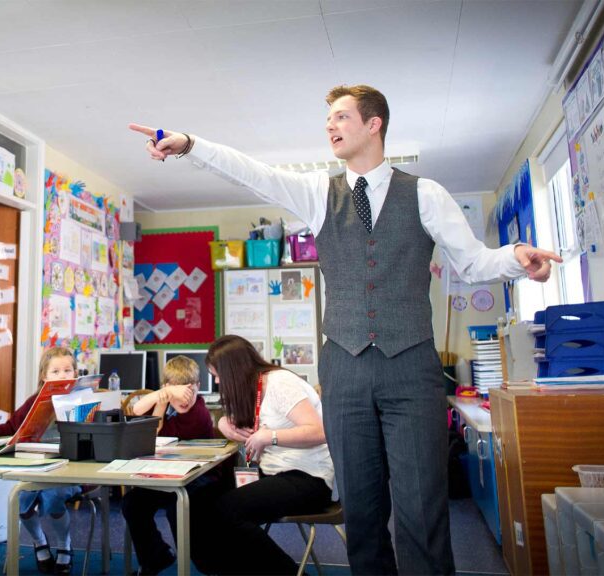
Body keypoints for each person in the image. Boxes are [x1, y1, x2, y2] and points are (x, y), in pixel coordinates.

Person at [130, 85, 561, 574]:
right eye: (328, 120)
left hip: (412, 366)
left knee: (422, 505)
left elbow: (474, 260)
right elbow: (252, 172)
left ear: (373, 124)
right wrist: (190, 144)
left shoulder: (425, 194)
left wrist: (516, 259)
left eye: (341, 117)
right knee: (362, 509)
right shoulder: (319, 193)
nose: (330, 127)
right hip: (345, 370)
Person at [186, 335, 333, 575]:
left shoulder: (280, 383)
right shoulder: (255, 387)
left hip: (309, 477)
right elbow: (241, 425)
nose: (217, 381)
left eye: (217, 374)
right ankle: (217, 567)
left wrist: (269, 436)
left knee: (228, 511)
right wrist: (224, 423)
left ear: (232, 370)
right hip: (275, 472)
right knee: (198, 499)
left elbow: (320, 431)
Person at [0, 347, 81, 574]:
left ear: (75, 373)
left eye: (68, 370)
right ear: (44, 376)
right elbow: (12, 426)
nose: (63, 376)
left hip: (68, 471)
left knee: (53, 496)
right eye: (55, 371)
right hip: (35, 468)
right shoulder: (35, 401)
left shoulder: (80, 400)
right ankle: (39, 541)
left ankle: (65, 546)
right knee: (21, 498)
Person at [121, 355, 216, 575]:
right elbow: (136, 414)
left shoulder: (199, 412)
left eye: (189, 391)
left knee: (177, 508)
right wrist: (160, 399)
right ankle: (156, 556)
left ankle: (203, 561)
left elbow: (168, 436)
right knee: (132, 504)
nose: (184, 400)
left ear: (198, 388)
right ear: (166, 389)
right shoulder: (162, 405)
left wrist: (168, 397)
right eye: (177, 393)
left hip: (198, 479)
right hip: (165, 476)